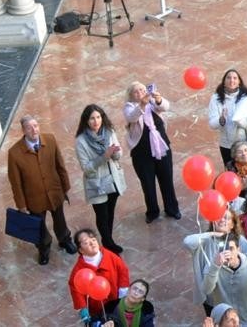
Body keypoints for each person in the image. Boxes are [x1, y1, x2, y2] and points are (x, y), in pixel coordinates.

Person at [7, 114, 75, 264]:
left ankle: (64, 239)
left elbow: (60, 165)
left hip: (55, 191)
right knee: (39, 225)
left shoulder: (50, 140)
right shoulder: (14, 153)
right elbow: (15, 182)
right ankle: (44, 248)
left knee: (60, 218)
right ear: (23, 131)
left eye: (36, 126)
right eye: (29, 128)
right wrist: (21, 205)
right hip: (34, 198)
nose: (34, 130)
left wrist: (66, 187)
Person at [123, 82, 180, 223]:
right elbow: (132, 117)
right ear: (131, 95)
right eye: (136, 92)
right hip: (141, 153)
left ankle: (172, 209)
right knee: (148, 184)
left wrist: (159, 99)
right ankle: (152, 212)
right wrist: (142, 105)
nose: (140, 93)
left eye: (142, 90)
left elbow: (165, 106)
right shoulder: (129, 107)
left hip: (161, 148)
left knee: (167, 179)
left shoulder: (153, 102)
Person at [75, 104, 127, 254]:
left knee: (110, 212)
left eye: (98, 117)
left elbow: (117, 155)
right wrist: (104, 156)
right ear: (86, 120)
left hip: (113, 179)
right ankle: (108, 242)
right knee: (102, 215)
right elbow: (86, 168)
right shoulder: (81, 141)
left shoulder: (109, 132)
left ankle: (107, 239)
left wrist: (116, 153)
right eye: (92, 118)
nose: (96, 121)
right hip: (97, 183)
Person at [68, 228, 131, 325]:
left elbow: (123, 270)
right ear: (81, 250)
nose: (92, 243)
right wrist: (83, 307)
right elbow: (75, 289)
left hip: (113, 299)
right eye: (86, 242)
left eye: (93, 240)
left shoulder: (110, 255)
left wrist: (123, 290)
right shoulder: (78, 270)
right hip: (95, 306)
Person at [201, 234, 247, 326]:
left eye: (231, 248)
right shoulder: (212, 266)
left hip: (246, 322)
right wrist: (215, 267)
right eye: (222, 249)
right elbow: (206, 290)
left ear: (239, 249)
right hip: (224, 323)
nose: (226, 252)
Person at [210, 69, 247, 166]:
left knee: (246, 172)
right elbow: (212, 124)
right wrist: (221, 120)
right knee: (230, 173)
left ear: (239, 82)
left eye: (235, 78)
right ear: (224, 82)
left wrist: (239, 120)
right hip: (226, 144)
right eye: (228, 77)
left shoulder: (246, 97)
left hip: (243, 144)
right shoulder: (215, 98)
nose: (231, 80)